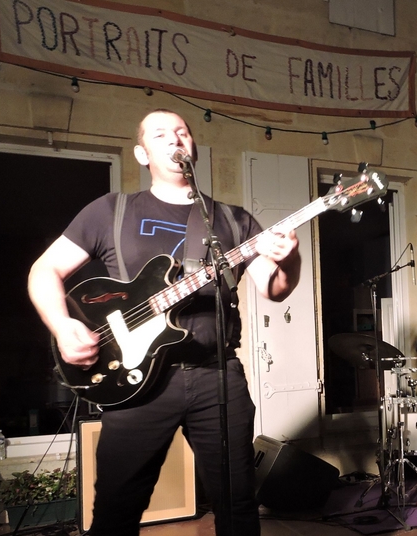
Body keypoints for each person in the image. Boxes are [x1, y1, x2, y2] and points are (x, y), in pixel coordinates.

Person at [27, 109, 301, 535]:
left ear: (192, 147)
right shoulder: (110, 211)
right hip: (134, 381)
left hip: (217, 376)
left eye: (183, 132)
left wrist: (290, 256)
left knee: (239, 506)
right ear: (142, 153)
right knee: (117, 510)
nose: (176, 139)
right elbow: (44, 271)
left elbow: (276, 288)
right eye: (161, 134)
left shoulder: (232, 221)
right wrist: (63, 326)